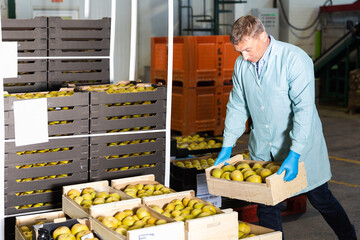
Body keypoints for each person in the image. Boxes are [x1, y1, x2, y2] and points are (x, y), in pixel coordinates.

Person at [214, 15, 357, 240]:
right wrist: (227, 145)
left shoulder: (294, 59)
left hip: (300, 150)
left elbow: (304, 110)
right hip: (263, 150)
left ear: (263, 36)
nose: (244, 56)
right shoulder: (242, 64)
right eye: (239, 52)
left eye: (248, 50)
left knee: (321, 199)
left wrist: (295, 152)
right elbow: (237, 105)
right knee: (267, 206)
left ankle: (348, 236)